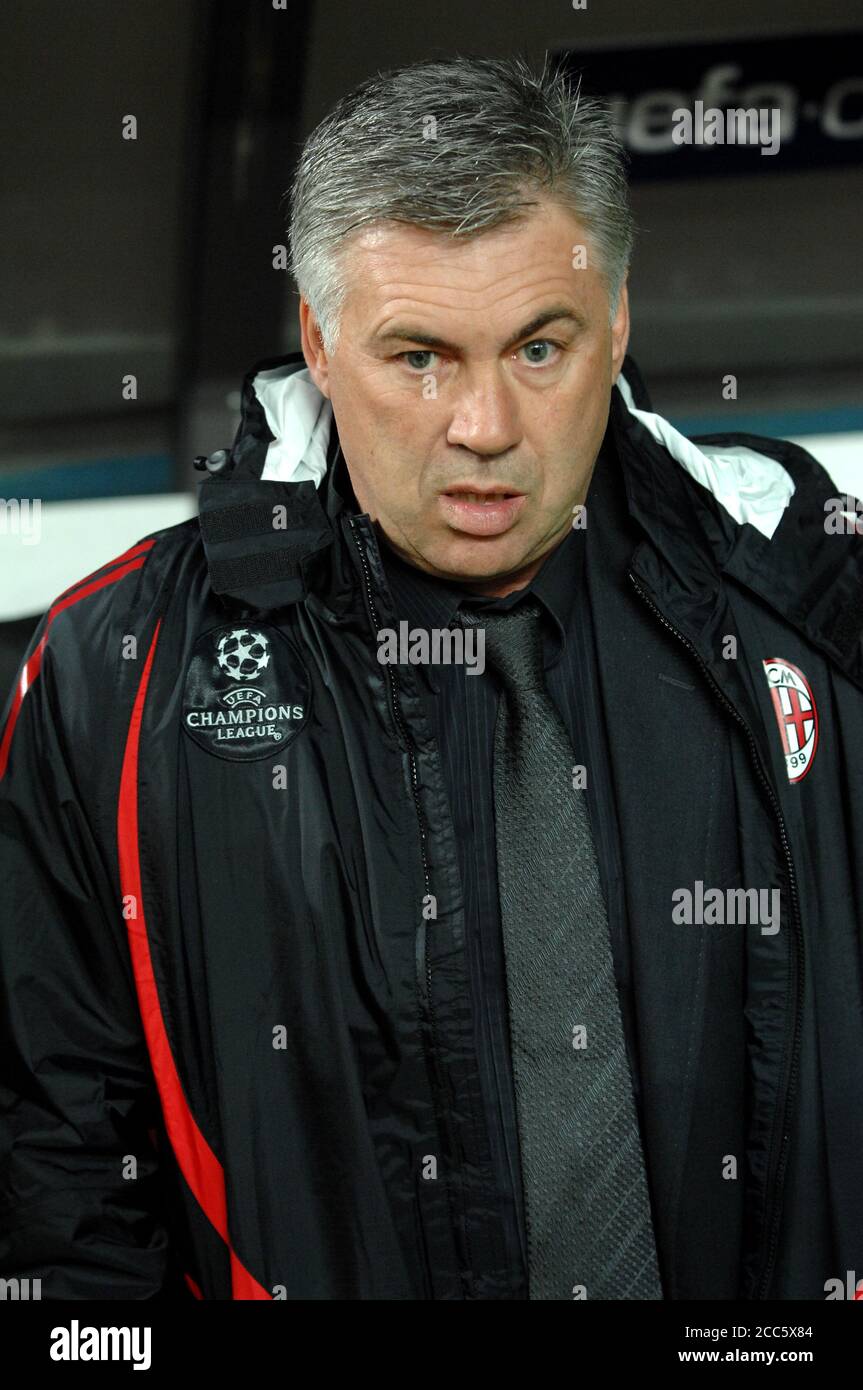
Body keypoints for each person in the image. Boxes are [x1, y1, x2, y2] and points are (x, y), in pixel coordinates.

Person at [1, 54, 862, 1302]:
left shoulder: (812, 601)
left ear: (615, 319)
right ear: (318, 338)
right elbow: (62, 1174)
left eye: (538, 347)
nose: (484, 428)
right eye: (418, 357)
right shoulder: (110, 675)